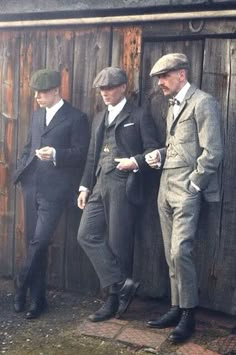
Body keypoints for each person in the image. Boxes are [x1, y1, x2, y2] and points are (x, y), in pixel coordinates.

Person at [145, 53, 223, 343]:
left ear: (182, 74)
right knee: (169, 253)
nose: (161, 82)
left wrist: (195, 183)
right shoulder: (171, 106)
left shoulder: (203, 103)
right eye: (159, 78)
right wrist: (159, 155)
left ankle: (189, 313)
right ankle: (176, 307)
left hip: (187, 191)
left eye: (165, 76)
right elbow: (178, 147)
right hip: (165, 187)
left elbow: (213, 151)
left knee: (181, 251)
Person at [77, 66, 159, 322]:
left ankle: (112, 301)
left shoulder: (139, 115)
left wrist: (134, 162)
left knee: (118, 245)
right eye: (102, 89)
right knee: (86, 234)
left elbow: (154, 150)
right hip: (100, 184)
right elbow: (92, 155)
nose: (105, 92)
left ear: (123, 87)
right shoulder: (100, 117)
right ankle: (123, 283)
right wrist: (84, 186)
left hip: (124, 186)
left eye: (110, 87)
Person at [13, 69, 90, 319]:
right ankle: (38, 299)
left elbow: (82, 153)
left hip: (55, 191)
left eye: (43, 92)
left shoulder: (76, 118)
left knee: (40, 241)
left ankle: (20, 284)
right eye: (36, 92)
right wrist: (23, 167)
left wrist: (56, 154)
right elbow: (27, 148)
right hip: (32, 186)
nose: (37, 96)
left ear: (57, 90)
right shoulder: (36, 116)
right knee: (32, 243)